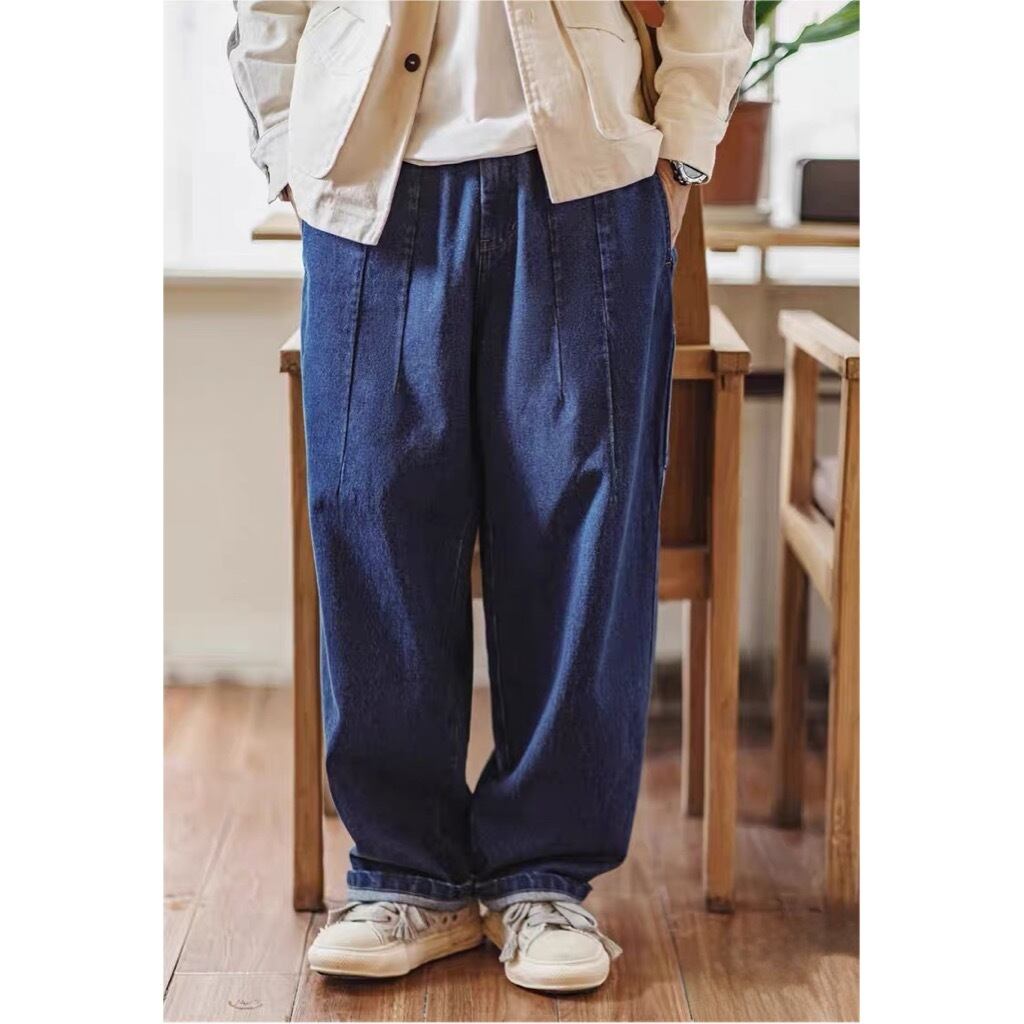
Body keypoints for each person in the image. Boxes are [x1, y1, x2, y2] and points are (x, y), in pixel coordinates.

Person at [229, 0, 752, 993]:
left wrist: (681, 152)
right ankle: (406, 875)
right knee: (370, 515)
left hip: (587, 176)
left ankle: (544, 876)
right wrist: (289, 150)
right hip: (368, 183)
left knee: (582, 524)